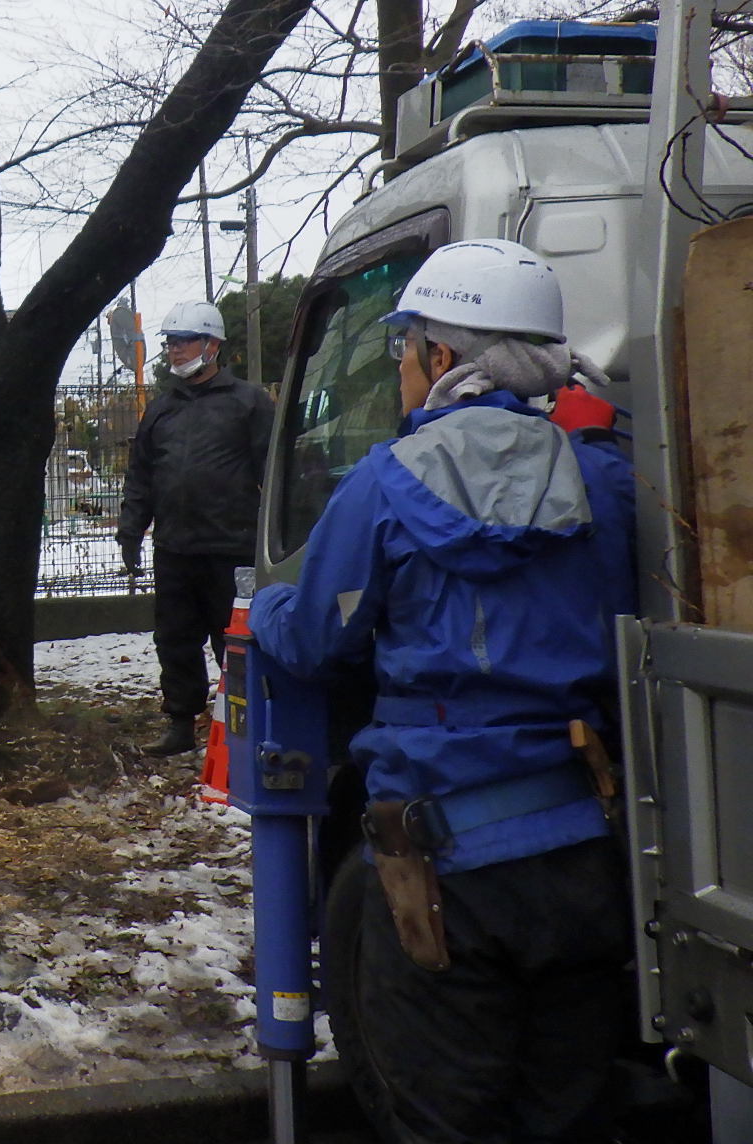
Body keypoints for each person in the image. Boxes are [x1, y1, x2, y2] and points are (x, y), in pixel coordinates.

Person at [248, 238, 636, 1143]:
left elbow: (311, 640)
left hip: (441, 861)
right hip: (582, 853)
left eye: (406, 347)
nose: (402, 368)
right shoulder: (603, 480)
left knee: (445, 1117)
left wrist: (264, 608)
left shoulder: (383, 484)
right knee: (569, 1111)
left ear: (445, 357)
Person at [116, 299, 275, 756]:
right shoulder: (161, 409)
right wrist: (131, 530)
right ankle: (181, 725)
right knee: (175, 641)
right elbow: (141, 475)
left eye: (185, 340)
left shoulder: (249, 402)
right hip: (175, 550)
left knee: (236, 646)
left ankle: (244, 735)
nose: (175, 350)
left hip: (233, 550)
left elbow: (272, 469)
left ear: (213, 344)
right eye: (171, 342)